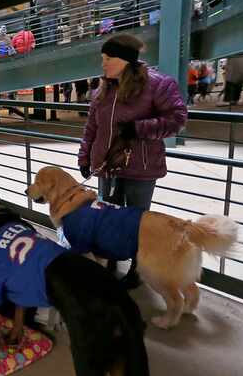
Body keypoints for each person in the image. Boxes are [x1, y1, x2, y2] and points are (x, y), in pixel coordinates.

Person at [78, 34, 187, 285]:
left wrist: (139, 128)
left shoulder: (159, 85)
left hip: (141, 167)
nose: (103, 64)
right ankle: (110, 262)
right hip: (107, 167)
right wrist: (84, 157)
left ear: (125, 61)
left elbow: (177, 119)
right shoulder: (102, 88)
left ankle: (138, 270)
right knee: (108, 220)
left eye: (108, 59)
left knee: (138, 223)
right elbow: (91, 128)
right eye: (102, 59)